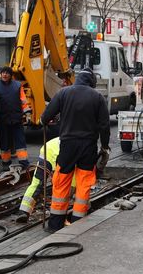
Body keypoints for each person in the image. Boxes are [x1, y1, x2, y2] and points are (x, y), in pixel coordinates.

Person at [41, 67, 110, 232]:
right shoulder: (97, 97)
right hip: (88, 146)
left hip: (68, 145)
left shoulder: (64, 93)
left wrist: (48, 121)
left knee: (62, 181)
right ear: (92, 82)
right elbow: (104, 126)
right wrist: (105, 146)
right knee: (84, 183)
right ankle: (78, 223)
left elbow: (45, 117)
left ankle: (55, 224)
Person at [0, 66, 32, 171]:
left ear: (10, 75)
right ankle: (6, 162)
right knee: (4, 141)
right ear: (0, 74)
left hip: (16, 118)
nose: (4, 75)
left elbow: (23, 100)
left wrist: (27, 113)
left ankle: (24, 162)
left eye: (7, 73)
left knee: (20, 141)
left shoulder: (18, 85)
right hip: (2, 118)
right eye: (3, 73)